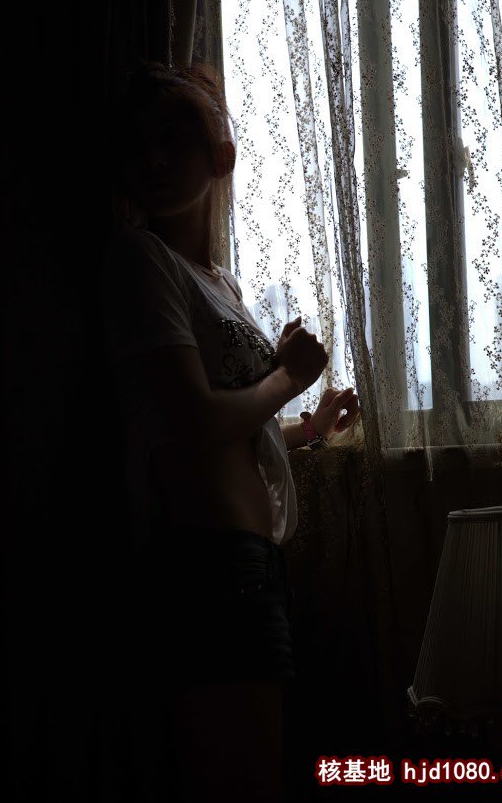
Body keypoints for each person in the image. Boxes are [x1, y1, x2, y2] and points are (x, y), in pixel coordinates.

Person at [100, 60, 359, 802]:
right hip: (200, 564)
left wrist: (306, 427)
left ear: (221, 157)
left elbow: (234, 432)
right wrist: (287, 379)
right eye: (137, 145)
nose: (152, 159)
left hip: (248, 561)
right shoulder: (140, 258)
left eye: (172, 139)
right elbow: (192, 421)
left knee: (256, 771)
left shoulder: (219, 283)